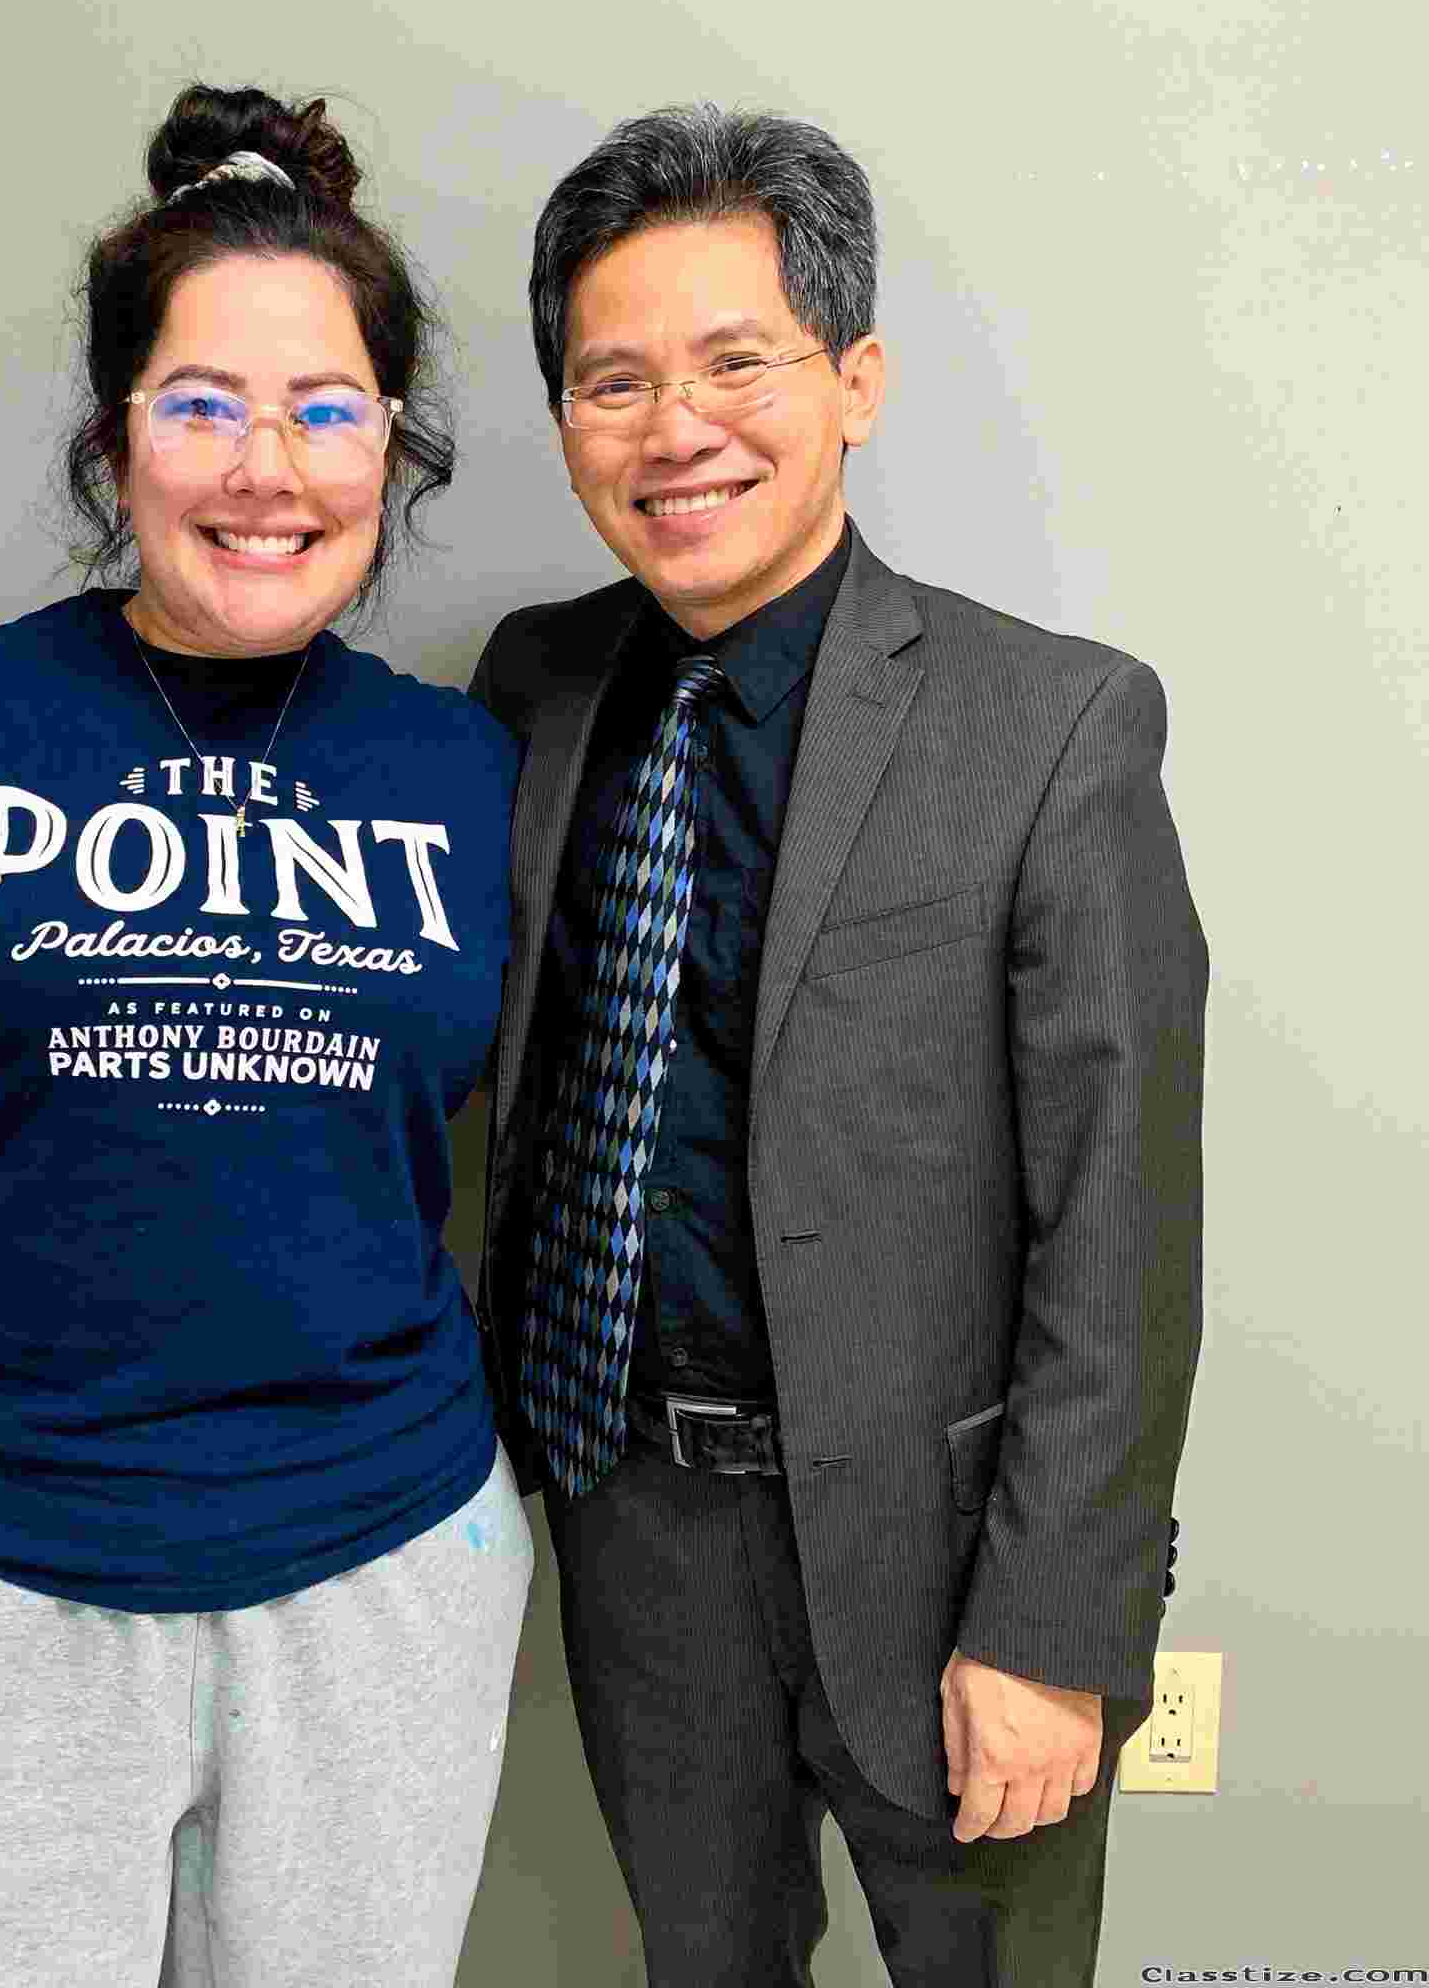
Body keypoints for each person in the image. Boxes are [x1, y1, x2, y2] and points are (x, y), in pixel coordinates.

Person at [0, 83, 531, 1988]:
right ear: (116, 438)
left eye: (327, 410)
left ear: (393, 447)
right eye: (202, 405)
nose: (268, 469)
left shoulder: (467, 766)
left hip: (384, 1576)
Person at [468, 105, 1206, 1986]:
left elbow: (1121, 1226)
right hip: (635, 1521)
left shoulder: (1050, 724)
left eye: (738, 362)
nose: (676, 428)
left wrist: (1053, 1628)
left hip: (954, 1554)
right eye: (614, 381)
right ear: (565, 420)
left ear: (855, 382)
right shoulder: (535, 689)